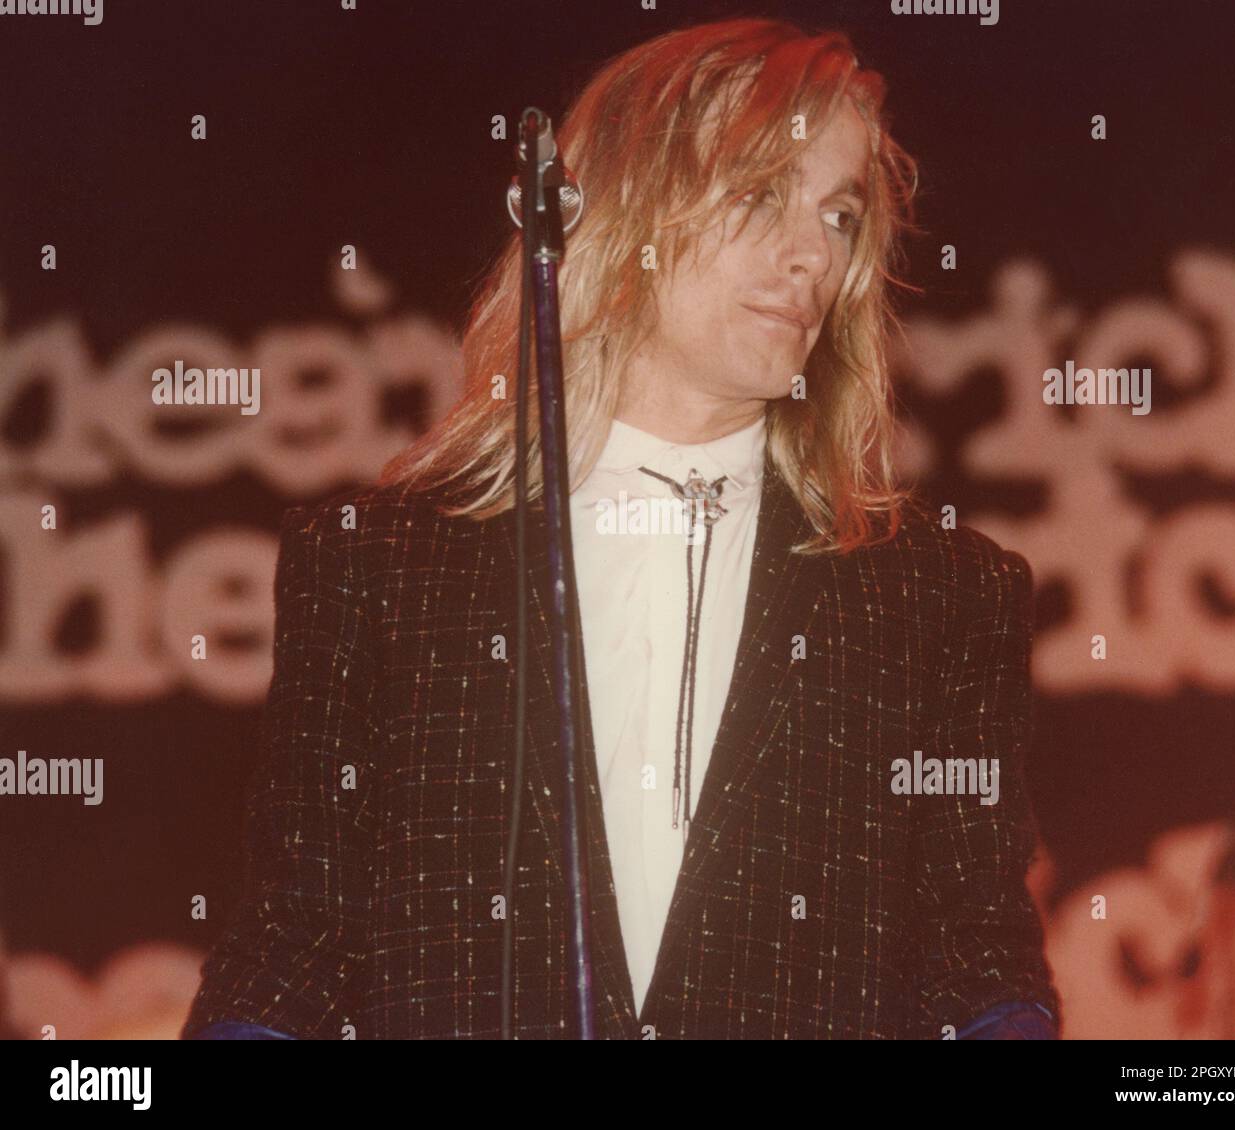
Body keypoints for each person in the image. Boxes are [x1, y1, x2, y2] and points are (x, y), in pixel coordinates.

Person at [183, 16, 1060, 1040]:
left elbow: (975, 950)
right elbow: (294, 944)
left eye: (837, 214)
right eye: (761, 194)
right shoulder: (378, 565)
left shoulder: (938, 594)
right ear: (620, 208)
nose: (807, 257)